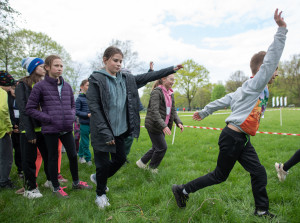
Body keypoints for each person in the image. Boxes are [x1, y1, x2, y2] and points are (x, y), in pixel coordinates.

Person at [172, 9, 287, 218]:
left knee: (258, 172)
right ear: (263, 70)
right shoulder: (255, 84)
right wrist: (281, 30)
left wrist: (205, 111)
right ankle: (182, 190)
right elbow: (270, 61)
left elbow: (225, 99)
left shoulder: (250, 88)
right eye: (275, 69)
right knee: (219, 176)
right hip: (233, 137)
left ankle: (261, 210)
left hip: (241, 139)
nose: (276, 73)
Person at [86, 46, 183, 208]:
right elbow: (95, 108)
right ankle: (100, 194)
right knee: (102, 164)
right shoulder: (96, 80)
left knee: (120, 159)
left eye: (120, 61)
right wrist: (105, 133)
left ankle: (98, 178)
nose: (118, 64)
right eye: (115, 60)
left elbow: (149, 76)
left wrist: (171, 69)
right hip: (102, 131)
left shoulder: (126, 78)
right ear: (105, 60)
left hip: (120, 131)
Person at [26, 55, 92, 198]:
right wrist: (47, 118)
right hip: (50, 129)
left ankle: (76, 182)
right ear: (47, 67)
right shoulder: (40, 86)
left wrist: (71, 115)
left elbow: (73, 105)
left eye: (61, 66)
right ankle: (56, 187)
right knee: (52, 157)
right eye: (56, 65)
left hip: (67, 127)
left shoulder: (67, 85)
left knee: (73, 155)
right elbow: (30, 108)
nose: (59, 68)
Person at [14, 57, 51, 198]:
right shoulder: (22, 85)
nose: (44, 68)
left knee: (49, 156)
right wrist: (30, 133)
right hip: (28, 130)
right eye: (42, 66)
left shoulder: (44, 84)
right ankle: (30, 189)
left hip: (43, 129)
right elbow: (24, 110)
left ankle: (50, 181)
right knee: (29, 160)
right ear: (34, 68)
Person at [136, 74, 184, 173]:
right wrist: (163, 125)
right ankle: (152, 168)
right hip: (154, 125)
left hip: (163, 126)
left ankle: (141, 162)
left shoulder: (171, 93)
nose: (173, 82)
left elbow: (173, 111)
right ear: (163, 79)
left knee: (156, 147)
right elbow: (154, 111)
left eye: (173, 80)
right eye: (171, 79)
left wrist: (178, 122)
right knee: (162, 147)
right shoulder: (156, 92)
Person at [0, 70, 15, 189]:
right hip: (2, 131)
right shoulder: (2, 93)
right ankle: (4, 182)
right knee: (7, 157)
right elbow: (3, 110)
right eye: (10, 85)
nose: (10, 88)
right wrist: (9, 127)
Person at [8, 82, 23, 178]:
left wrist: (19, 126)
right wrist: (13, 126)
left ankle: (20, 170)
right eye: (13, 89)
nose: (15, 91)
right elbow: (7, 113)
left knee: (20, 149)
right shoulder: (7, 100)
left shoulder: (21, 99)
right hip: (10, 127)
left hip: (21, 125)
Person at [76, 79, 92, 165]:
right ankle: (88, 159)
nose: (89, 87)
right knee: (85, 141)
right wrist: (87, 115)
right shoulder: (79, 99)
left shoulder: (93, 97)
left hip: (93, 123)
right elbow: (76, 111)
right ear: (82, 87)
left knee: (83, 140)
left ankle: (80, 155)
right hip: (84, 123)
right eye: (87, 85)